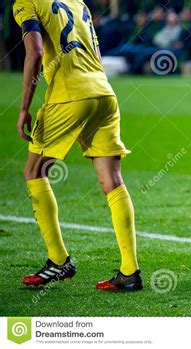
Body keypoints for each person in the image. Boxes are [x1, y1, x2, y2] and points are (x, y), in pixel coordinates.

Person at [13, 0, 142, 291]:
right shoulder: (77, 2)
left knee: (34, 172)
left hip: (69, 94)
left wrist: (24, 107)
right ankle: (129, 272)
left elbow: (33, 53)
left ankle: (59, 261)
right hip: (103, 92)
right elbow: (96, 51)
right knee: (112, 180)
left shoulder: (26, 3)